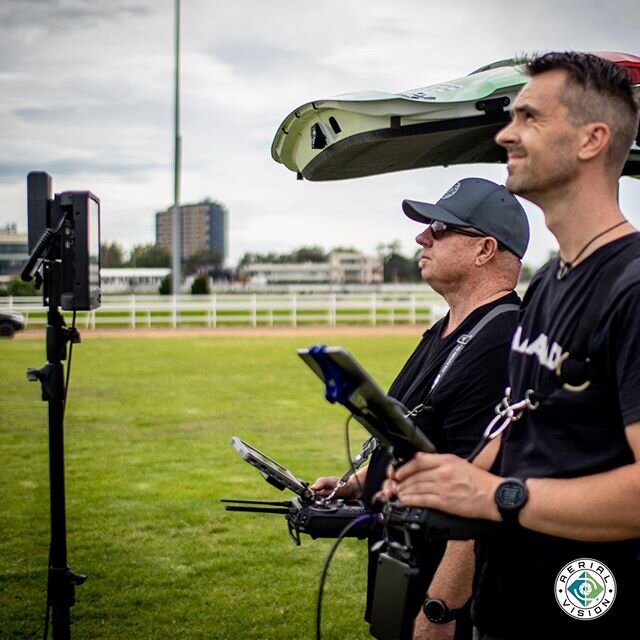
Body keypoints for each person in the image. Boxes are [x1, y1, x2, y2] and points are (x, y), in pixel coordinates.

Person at [383, 52, 640, 640]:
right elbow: (521, 426)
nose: (506, 134)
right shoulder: (551, 283)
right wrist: (446, 477)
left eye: (529, 118)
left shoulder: (632, 285)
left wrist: (498, 493)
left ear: (592, 139)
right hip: (506, 609)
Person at [311, 177, 529, 640]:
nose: (421, 236)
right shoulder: (446, 330)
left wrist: (440, 609)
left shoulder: (500, 342)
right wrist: (358, 484)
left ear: (485, 249)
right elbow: (422, 433)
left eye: (440, 227)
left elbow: (483, 494)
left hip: (443, 587)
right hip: (401, 558)